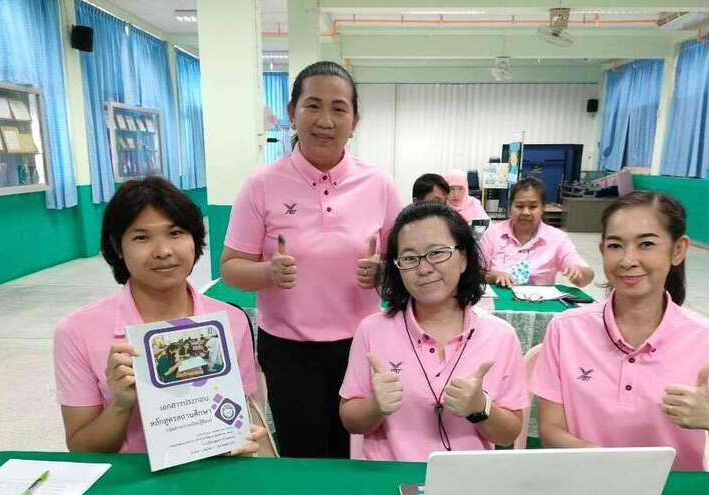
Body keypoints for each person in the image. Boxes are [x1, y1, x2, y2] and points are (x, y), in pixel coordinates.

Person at [529, 191, 709, 473]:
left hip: (675, 493)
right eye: (616, 245)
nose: (628, 260)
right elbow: (552, 431)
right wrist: (627, 471)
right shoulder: (566, 329)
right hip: (588, 483)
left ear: (678, 250)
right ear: (602, 250)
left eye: (646, 244)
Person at [221, 61, 403, 459]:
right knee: (302, 455)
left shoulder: (379, 184)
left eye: (339, 108)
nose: (325, 120)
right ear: (292, 112)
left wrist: (384, 272)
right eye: (313, 105)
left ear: (354, 121)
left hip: (362, 344)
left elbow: (405, 262)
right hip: (288, 348)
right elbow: (231, 268)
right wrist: (268, 272)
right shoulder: (261, 184)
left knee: (358, 450)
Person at [54, 177, 272, 456]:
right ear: (118, 248)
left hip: (214, 473)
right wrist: (120, 405)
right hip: (133, 480)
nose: (163, 251)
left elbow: (245, 415)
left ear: (195, 240)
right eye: (141, 237)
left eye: (175, 233)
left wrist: (242, 437)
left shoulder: (230, 321)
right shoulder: (77, 331)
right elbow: (81, 449)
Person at [339, 201, 529, 461]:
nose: (424, 268)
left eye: (437, 253)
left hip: (464, 475)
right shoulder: (372, 330)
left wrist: (480, 408)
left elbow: (508, 434)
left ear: (463, 258)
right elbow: (351, 421)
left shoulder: (500, 336)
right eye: (409, 258)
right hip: (391, 476)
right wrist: (375, 406)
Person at [480, 177, 594, 288]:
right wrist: (494, 276)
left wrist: (579, 273)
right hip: (498, 298)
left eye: (533, 207)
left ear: (543, 208)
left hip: (541, 300)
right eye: (519, 206)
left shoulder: (557, 238)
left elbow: (586, 274)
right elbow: (477, 273)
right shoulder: (493, 233)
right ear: (510, 206)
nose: (526, 212)